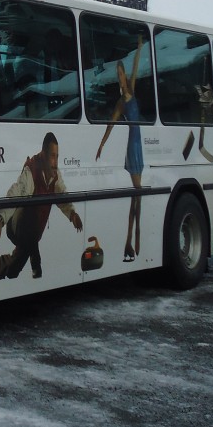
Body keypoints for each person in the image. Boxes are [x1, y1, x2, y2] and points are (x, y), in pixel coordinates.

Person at [0, 132, 82, 281]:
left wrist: (72, 214)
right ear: (44, 155)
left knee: (13, 271)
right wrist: (0, 221)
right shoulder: (31, 171)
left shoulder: (55, 175)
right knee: (32, 210)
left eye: (57, 156)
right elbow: (16, 193)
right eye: (52, 156)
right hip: (17, 226)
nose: (55, 162)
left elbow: (62, 194)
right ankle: (36, 262)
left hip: (32, 236)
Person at [96, 36, 144, 262]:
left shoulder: (132, 90)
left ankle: (134, 236)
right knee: (137, 193)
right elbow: (111, 125)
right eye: (118, 75)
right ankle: (132, 237)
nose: (121, 77)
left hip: (138, 143)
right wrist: (101, 144)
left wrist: (139, 48)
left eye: (121, 73)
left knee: (138, 194)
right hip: (132, 145)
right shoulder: (121, 103)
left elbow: (135, 67)